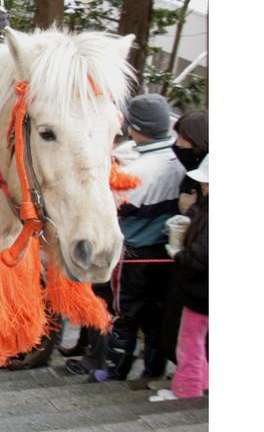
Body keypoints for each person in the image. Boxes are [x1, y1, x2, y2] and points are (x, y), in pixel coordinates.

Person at [107, 94, 186, 380]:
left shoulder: (134, 171)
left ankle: (115, 372)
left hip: (133, 256)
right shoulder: (179, 160)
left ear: (133, 125)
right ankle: (153, 370)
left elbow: (111, 211)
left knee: (124, 315)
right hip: (166, 253)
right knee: (156, 316)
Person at [151, 155, 209, 401]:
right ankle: (201, 383)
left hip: (199, 295)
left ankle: (186, 390)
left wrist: (178, 253)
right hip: (203, 294)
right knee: (198, 342)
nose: (203, 187)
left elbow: (200, 260)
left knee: (189, 344)